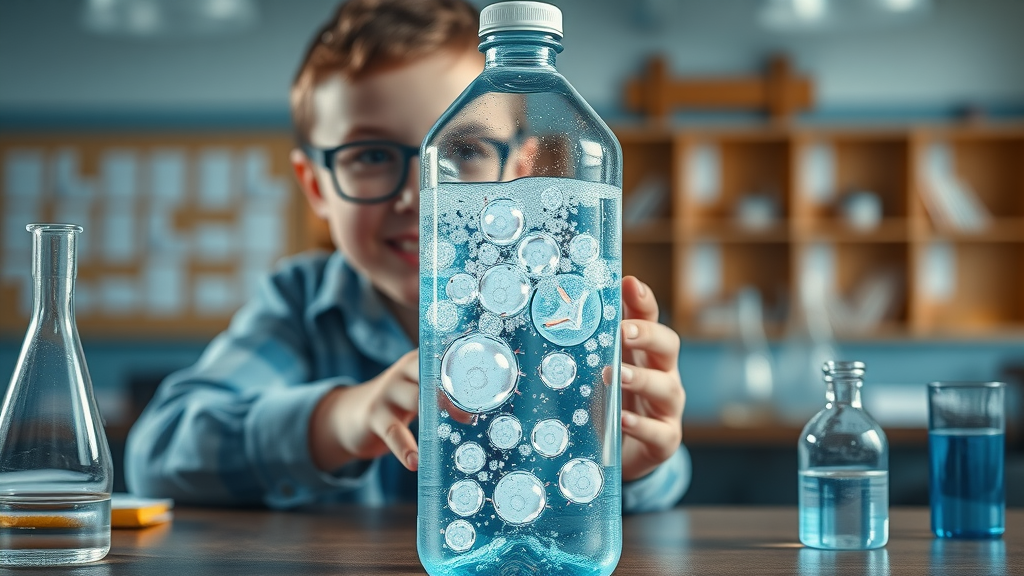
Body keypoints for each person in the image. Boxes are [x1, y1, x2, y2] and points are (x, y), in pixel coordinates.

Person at [125, 0, 690, 513]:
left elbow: (667, 476)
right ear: (316, 185)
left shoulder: (557, 311)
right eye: (371, 154)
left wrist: (632, 459)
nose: (421, 197)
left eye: (462, 151)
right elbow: (158, 453)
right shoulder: (300, 303)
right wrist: (342, 419)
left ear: (521, 170)